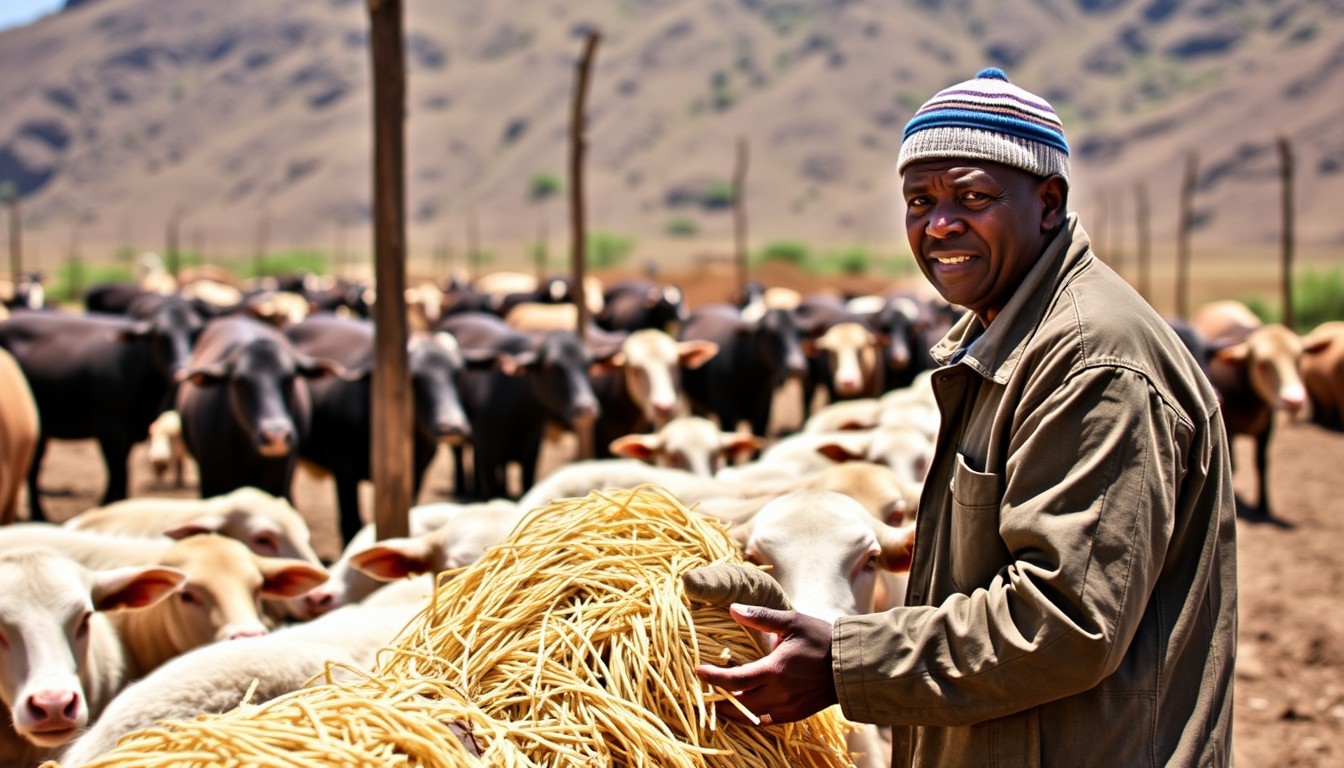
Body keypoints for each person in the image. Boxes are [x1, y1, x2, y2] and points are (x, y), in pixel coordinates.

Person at [687, 68, 1237, 766]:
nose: (939, 224)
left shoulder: (1093, 361)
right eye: (920, 201)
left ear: (1048, 202)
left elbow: (1068, 622)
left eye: (972, 197)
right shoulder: (1007, 344)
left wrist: (846, 664)